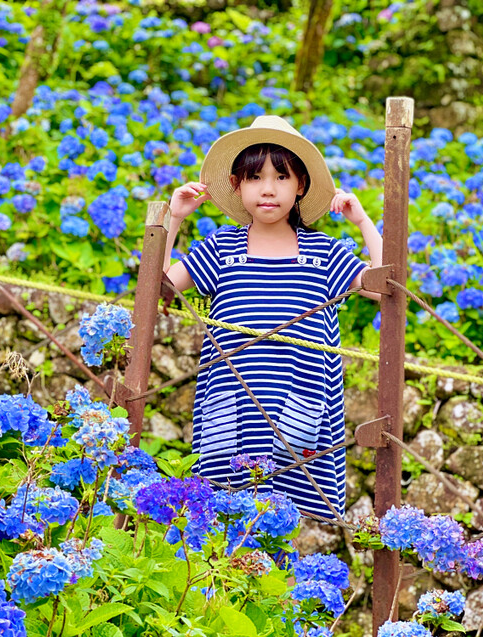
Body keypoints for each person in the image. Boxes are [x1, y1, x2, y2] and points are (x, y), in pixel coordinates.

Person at [162, 115, 383, 517]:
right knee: (223, 523)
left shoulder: (325, 253)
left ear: (301, 186)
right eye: (255, 177)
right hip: (232, 409)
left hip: (299, 412)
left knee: (280, 523)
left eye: (282, 177)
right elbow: (157, 288)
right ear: (236, 184)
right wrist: (175, 217)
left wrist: (362, 221)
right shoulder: (220, 248)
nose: (268, 189)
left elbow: (385, 286)